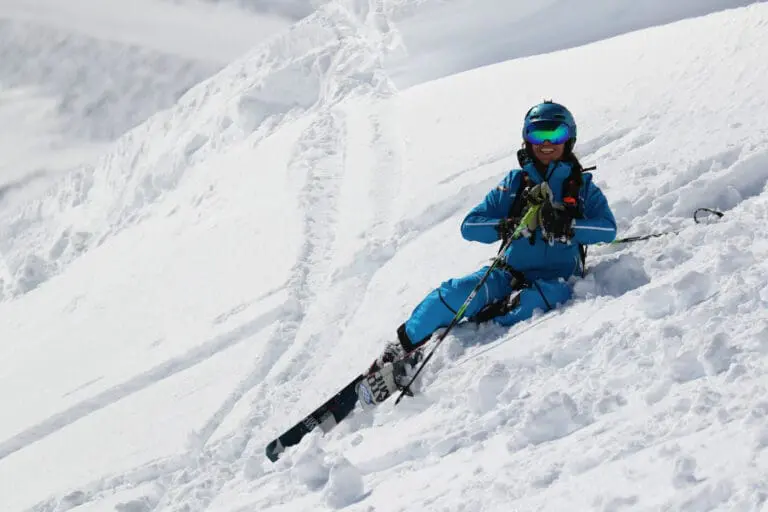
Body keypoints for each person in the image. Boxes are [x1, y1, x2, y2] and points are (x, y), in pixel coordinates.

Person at [368, 101, 617, 390]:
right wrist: (506, 225)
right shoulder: (515, 183)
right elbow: (470, 226)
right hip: (508, 273)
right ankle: (399, 350)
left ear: (569, 139)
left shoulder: (583, 187)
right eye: (538, 135)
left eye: (556, 135)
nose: (547, 144)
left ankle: (485, 319)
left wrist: (569, 228)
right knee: (450, 295)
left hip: (555, 279)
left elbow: (607, 229)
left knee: (539, 300)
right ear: (527, 139)